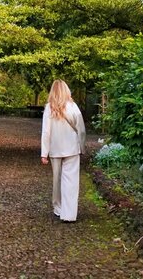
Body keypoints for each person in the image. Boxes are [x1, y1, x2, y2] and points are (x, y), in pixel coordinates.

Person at [40, 80, 86, 222]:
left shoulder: (49, 108)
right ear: (67, 90)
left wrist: (44, 153)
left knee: (57, 180)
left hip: (55, 149)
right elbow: (81, 129)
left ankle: (58, 208)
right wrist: (82, 147)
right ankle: (69, 214)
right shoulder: (73, 107)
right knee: (71, 182)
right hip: (72, 148)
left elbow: (46, 132)